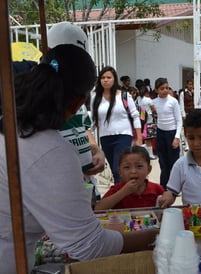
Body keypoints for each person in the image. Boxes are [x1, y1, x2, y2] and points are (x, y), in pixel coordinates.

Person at [0, 45, 158, 274]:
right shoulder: (52, 152)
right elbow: (89, 245)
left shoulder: (9, 122)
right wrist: (154, 236)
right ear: (77, 104)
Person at [48, 21, 105, 204]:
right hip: (61, 194)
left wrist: (96, 151)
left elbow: (84, 128)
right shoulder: (41, 101)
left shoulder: (75, 95)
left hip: (86, 185)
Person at [91, 66, 143, 183]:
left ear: (114, 79)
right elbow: (93, 121)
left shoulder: (124, 96)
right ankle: (122, 194)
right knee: (115, 172)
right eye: (103, 77)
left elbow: (135, 116)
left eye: (109, 77)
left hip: (123, 136)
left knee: (118, 169)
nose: (106, 80)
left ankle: (123, 196)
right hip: (105, 138)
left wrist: (139, 137)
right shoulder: (95, 97)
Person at [95, 146, 164, 210]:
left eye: (139, 166)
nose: (133, 171)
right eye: (127, 167)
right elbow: (98, 209)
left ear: (149, 169)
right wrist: (123, 192)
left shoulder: (157, 189)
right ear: (120, 172)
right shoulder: (117, 190)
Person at [152, 77, 182, 189]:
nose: (165, 90)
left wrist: (177, 137)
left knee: (173, 162)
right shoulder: (153, 103)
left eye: (166, 88)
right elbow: (144, 110)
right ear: (156, 90)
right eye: (162, 88)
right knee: (163, 162)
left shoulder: (173, 101)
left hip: (172, 133)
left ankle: (174, 186)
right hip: (160, 134)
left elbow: (179, 120)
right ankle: (163, 186)